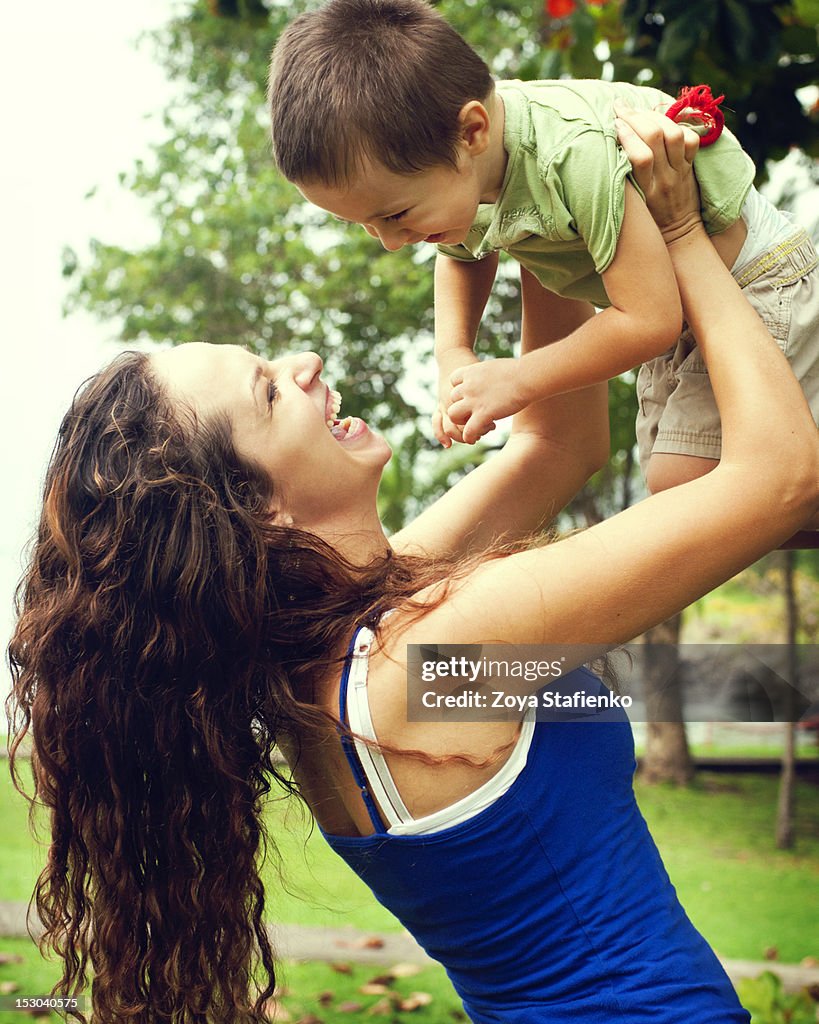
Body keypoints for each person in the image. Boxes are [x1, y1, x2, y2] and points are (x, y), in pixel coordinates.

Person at [7, 110, 819, 1024]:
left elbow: (557, 442)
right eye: (269, 390)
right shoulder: (433, 654)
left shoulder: (355, 649)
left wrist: (522, 197)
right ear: (256, 509)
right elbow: (782, 478)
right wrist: (677, 235)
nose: (306, 362)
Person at [267, 0, 819, 510]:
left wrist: (518, 379)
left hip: (757, 281)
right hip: (680, 310)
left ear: (473, 131)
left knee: (688, 483)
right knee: (667, 480)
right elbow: (463, 252)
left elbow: (648, 321)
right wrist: (455, 354)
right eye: (364, 225)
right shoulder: (462, 163)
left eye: (395, 215)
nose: (390, 240)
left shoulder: (571, 156)